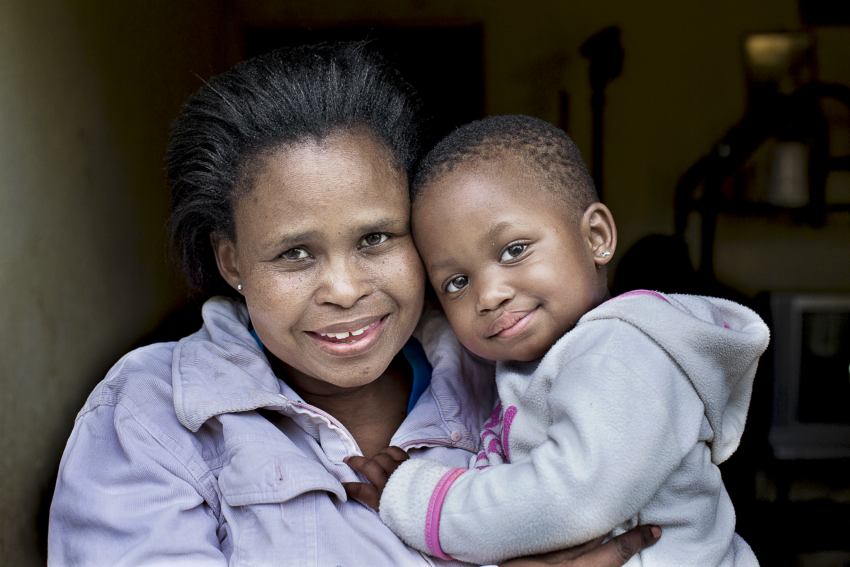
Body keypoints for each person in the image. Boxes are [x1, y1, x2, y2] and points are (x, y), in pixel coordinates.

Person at [47, 45, 660, 566]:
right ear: (232, 261)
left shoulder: (518, 380)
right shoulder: (155, 419)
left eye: (376, 238)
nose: (343, 289)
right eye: (294, 253)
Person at [344, 115, 770, 566]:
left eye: (514, 250)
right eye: (456, 282)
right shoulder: (535, 361)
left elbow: (573, 495)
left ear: (596, 237)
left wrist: (419, 497)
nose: (488, 295)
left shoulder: (625, 351)